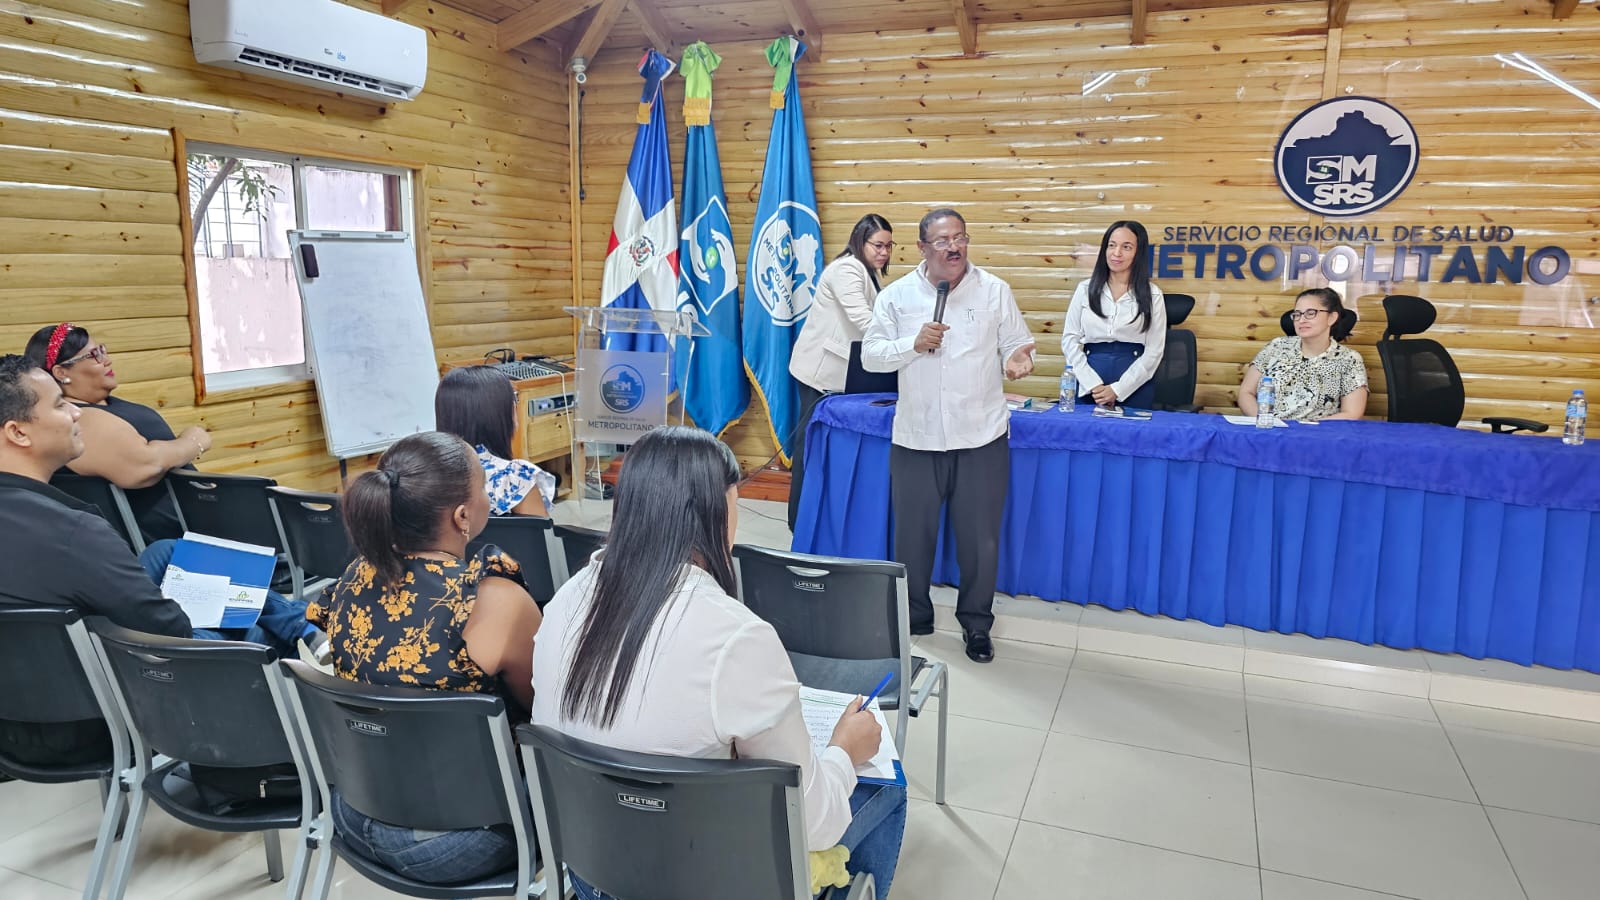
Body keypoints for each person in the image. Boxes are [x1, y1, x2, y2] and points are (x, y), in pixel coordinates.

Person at [532, 426, 905, 898]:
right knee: (888, 789)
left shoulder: (566, 599)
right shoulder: (736, 637)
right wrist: (844, 751)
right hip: (703, 880)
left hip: (591, 869)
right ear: (714, 513)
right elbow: (812, 824)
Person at [0, 355, 315, 766]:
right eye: (60, 404)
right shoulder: (72, 531)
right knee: (249, 631)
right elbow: (171, 629)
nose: (77, 411)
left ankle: (301, 621)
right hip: (98, 715)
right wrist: (208, 608)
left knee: (168, 552)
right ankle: (303, 641)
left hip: (18, 715)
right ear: (18, 432)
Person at [308, 430, 542, 885]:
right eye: (482, 490)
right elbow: (545, 708)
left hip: (354, 808)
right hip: (458, 839)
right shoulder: (492, 600)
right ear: (462, 516)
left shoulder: (355, 576)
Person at [861, 208, 1036, 663]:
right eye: (942, 241)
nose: (953, 247)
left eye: (960, 238)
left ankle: (976, 625)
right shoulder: (897, 296)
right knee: (912, 538)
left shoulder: (994, 290)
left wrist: (1019, 360)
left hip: (980, 436)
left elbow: (1018, 343)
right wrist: (912, 344)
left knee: (980, 540)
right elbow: (871, 357)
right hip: (916, 437)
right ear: (922, 248)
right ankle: (913, 615)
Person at [24, 323, 210, 544]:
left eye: (102, 350)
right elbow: (144, 466)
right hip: (172, 543)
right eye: (94, 355)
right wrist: (193, 441)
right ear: (62, 372)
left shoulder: (100, 406)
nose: (106, 360)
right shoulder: (80, 419)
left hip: (197, 525)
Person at [787, 213, 895, 529]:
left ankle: (818, 519)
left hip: (842, 376)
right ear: (860, 240)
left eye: (889, 246)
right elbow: (863, 320)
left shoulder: (868, 273)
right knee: (808, 446)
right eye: (878, 245)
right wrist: (908, 340)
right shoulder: (847, 269)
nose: (884, 253)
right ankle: (799, 521)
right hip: (818, 373)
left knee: (826, 447)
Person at [1059, 220, 1167, 409]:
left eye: (1126, 247)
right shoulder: (1084, 289)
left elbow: (1154, 351)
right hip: (1088, 384)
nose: (1116, 253)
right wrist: (1093, 385)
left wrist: (1118, 389)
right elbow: (1070, 340)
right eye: (1111, 245)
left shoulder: (1153, 294)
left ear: (1138, 253)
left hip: (1134, 387)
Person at [435, 365, 556, 517]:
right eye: (514, 399)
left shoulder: (428, 472)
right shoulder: (514, 477)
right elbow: (540, 537)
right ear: (500, 414)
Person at [1238, 288, 1369, 421]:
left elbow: (1352, 413)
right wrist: (1265, 421)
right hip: (1268, 432)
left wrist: (1305, 429)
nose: (1302, 320)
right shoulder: (1276, 346)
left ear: (1332, 318)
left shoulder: (1349, 359)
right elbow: (1246, 393)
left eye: (1310, 313)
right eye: (1297, 314)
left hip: (1316, 436)